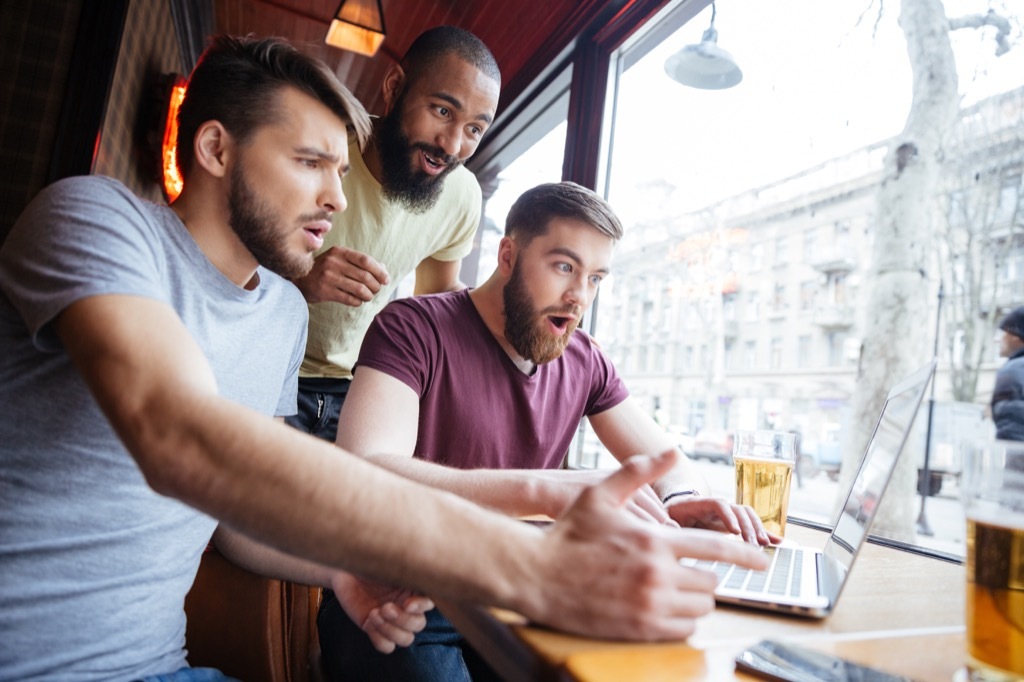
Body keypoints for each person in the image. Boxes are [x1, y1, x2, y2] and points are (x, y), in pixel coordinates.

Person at [0, 36, 768, 682]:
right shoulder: (94, 218)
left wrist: (339, 568)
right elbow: (179, 437)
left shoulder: (281, 314)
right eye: (309, 162)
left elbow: (236, 523)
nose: (337, 198)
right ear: (214, 149)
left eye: (341, 170)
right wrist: (523, 559)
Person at [318, 182, 777, 681]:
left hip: (521, 596)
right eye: (564, 267)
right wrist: (544, 488)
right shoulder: (412, 328)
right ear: (509, 256)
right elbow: (366, 473)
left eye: (596, 278)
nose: (579, 296)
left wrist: (678, 497)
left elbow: (672, 464)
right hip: (403, 597)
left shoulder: (585, 359)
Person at [288, 26, 500, 442]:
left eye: (474, 129)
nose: (452, 144)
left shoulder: (461, 196)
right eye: (442, 111)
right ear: (394, 86)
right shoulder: (321, 148)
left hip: (357, 387)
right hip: (271, 363)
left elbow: (436, 297)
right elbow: (226, 262)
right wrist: (301, 280)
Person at [992, 305, 1024, 441]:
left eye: (1003, 332)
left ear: (1016, 336)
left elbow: (1011, 431)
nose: (997, 339)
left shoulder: (1013, 370)